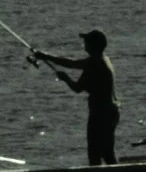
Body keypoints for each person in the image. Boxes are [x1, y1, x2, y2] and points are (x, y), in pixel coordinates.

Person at [31, 30, 119, 164]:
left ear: (93, 45)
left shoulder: (94, 63)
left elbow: (77, 87)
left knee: (95, 153)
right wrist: (46, 57)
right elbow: (72, 64)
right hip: (111, 111)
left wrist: (65, 78)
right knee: (107, 151)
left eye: (87, 41)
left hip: (101, 114)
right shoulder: (103, 59)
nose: (84, 43)